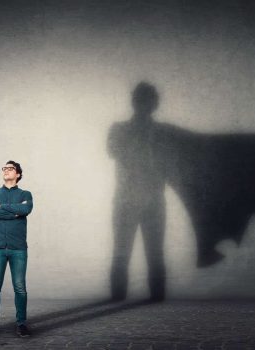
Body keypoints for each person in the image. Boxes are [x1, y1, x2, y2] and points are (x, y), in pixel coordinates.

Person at [108, 82, 166, 301]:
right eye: (144, 99)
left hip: (147, 200)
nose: (147, 104)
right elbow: (115, 151)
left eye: (149, 100)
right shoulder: (120, 129)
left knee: (153, 255)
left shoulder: (160, 132)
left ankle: (156, 303)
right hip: (129, 200)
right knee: (124, 254)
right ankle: (117, 301)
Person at [0, 160, 33, 337]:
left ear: (18, 174)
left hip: (18, 248)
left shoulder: (26, 193)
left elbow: (26, 208)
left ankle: (21, 324)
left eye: (10, 168)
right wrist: (15, 212)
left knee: (20, 287)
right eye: (4, 168)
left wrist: (2, 208)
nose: (6, 170)